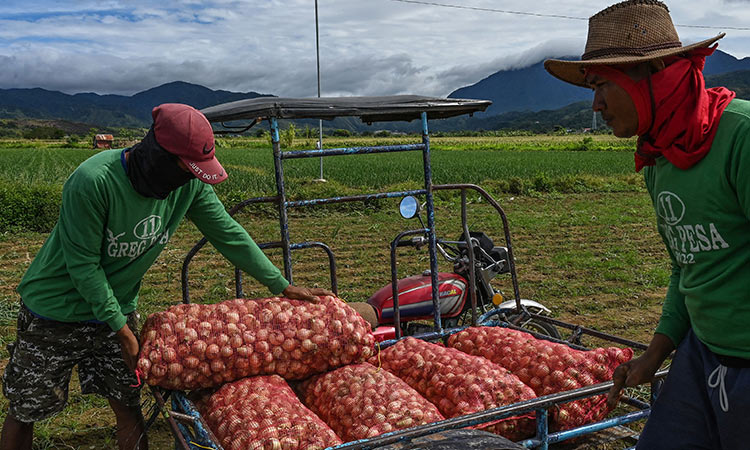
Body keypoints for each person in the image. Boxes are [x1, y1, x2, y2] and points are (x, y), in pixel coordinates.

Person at [0, 103, 331, 450]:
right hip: (54, 312)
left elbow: (227, 233)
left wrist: (281, 284)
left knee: (129, 409)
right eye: (186, 168)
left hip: (118, 310)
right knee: (26, 409)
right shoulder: (94, 181)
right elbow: (83, 264)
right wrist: (121, 329)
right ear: (158, 155)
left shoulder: (188, 186)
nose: (190, 176)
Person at [545, 1, 749, 448]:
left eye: (601, 85)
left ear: (655, 77)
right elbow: (688, 265)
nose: (595, 105)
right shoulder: (659, 157)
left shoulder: (742, 138)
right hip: (702, 355)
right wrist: (654, 355)